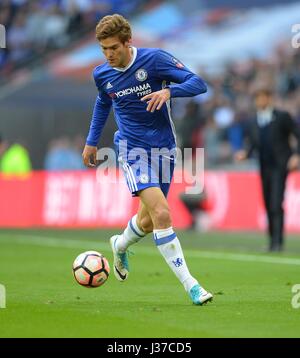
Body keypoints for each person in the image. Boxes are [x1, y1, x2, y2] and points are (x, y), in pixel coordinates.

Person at [82, 14, 213, 305]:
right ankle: (192, 285)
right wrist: (92, 142)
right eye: (104, 49)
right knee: (163, 214)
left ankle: (120, 244)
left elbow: (199, 83)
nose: (109, 55)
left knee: (149, 220)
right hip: (131, 150)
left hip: (164, 149)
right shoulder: (102, 73)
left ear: (128, 42)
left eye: (113, 48)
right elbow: (103, 102)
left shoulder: (154, 61)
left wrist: (169, 91)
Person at [235, 88, 300, 252]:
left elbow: (297, 135)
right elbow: (253, 144)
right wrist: (245, 154)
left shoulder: (282, 116)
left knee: (276, 202)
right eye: (257, 98)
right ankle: (272, 241)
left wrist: (296, 155)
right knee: (267, 202)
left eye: (262, 97)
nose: (259, 101)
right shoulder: (252, 121)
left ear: (269, 99)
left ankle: (278, 242)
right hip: (264, 167)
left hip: (280, 165)